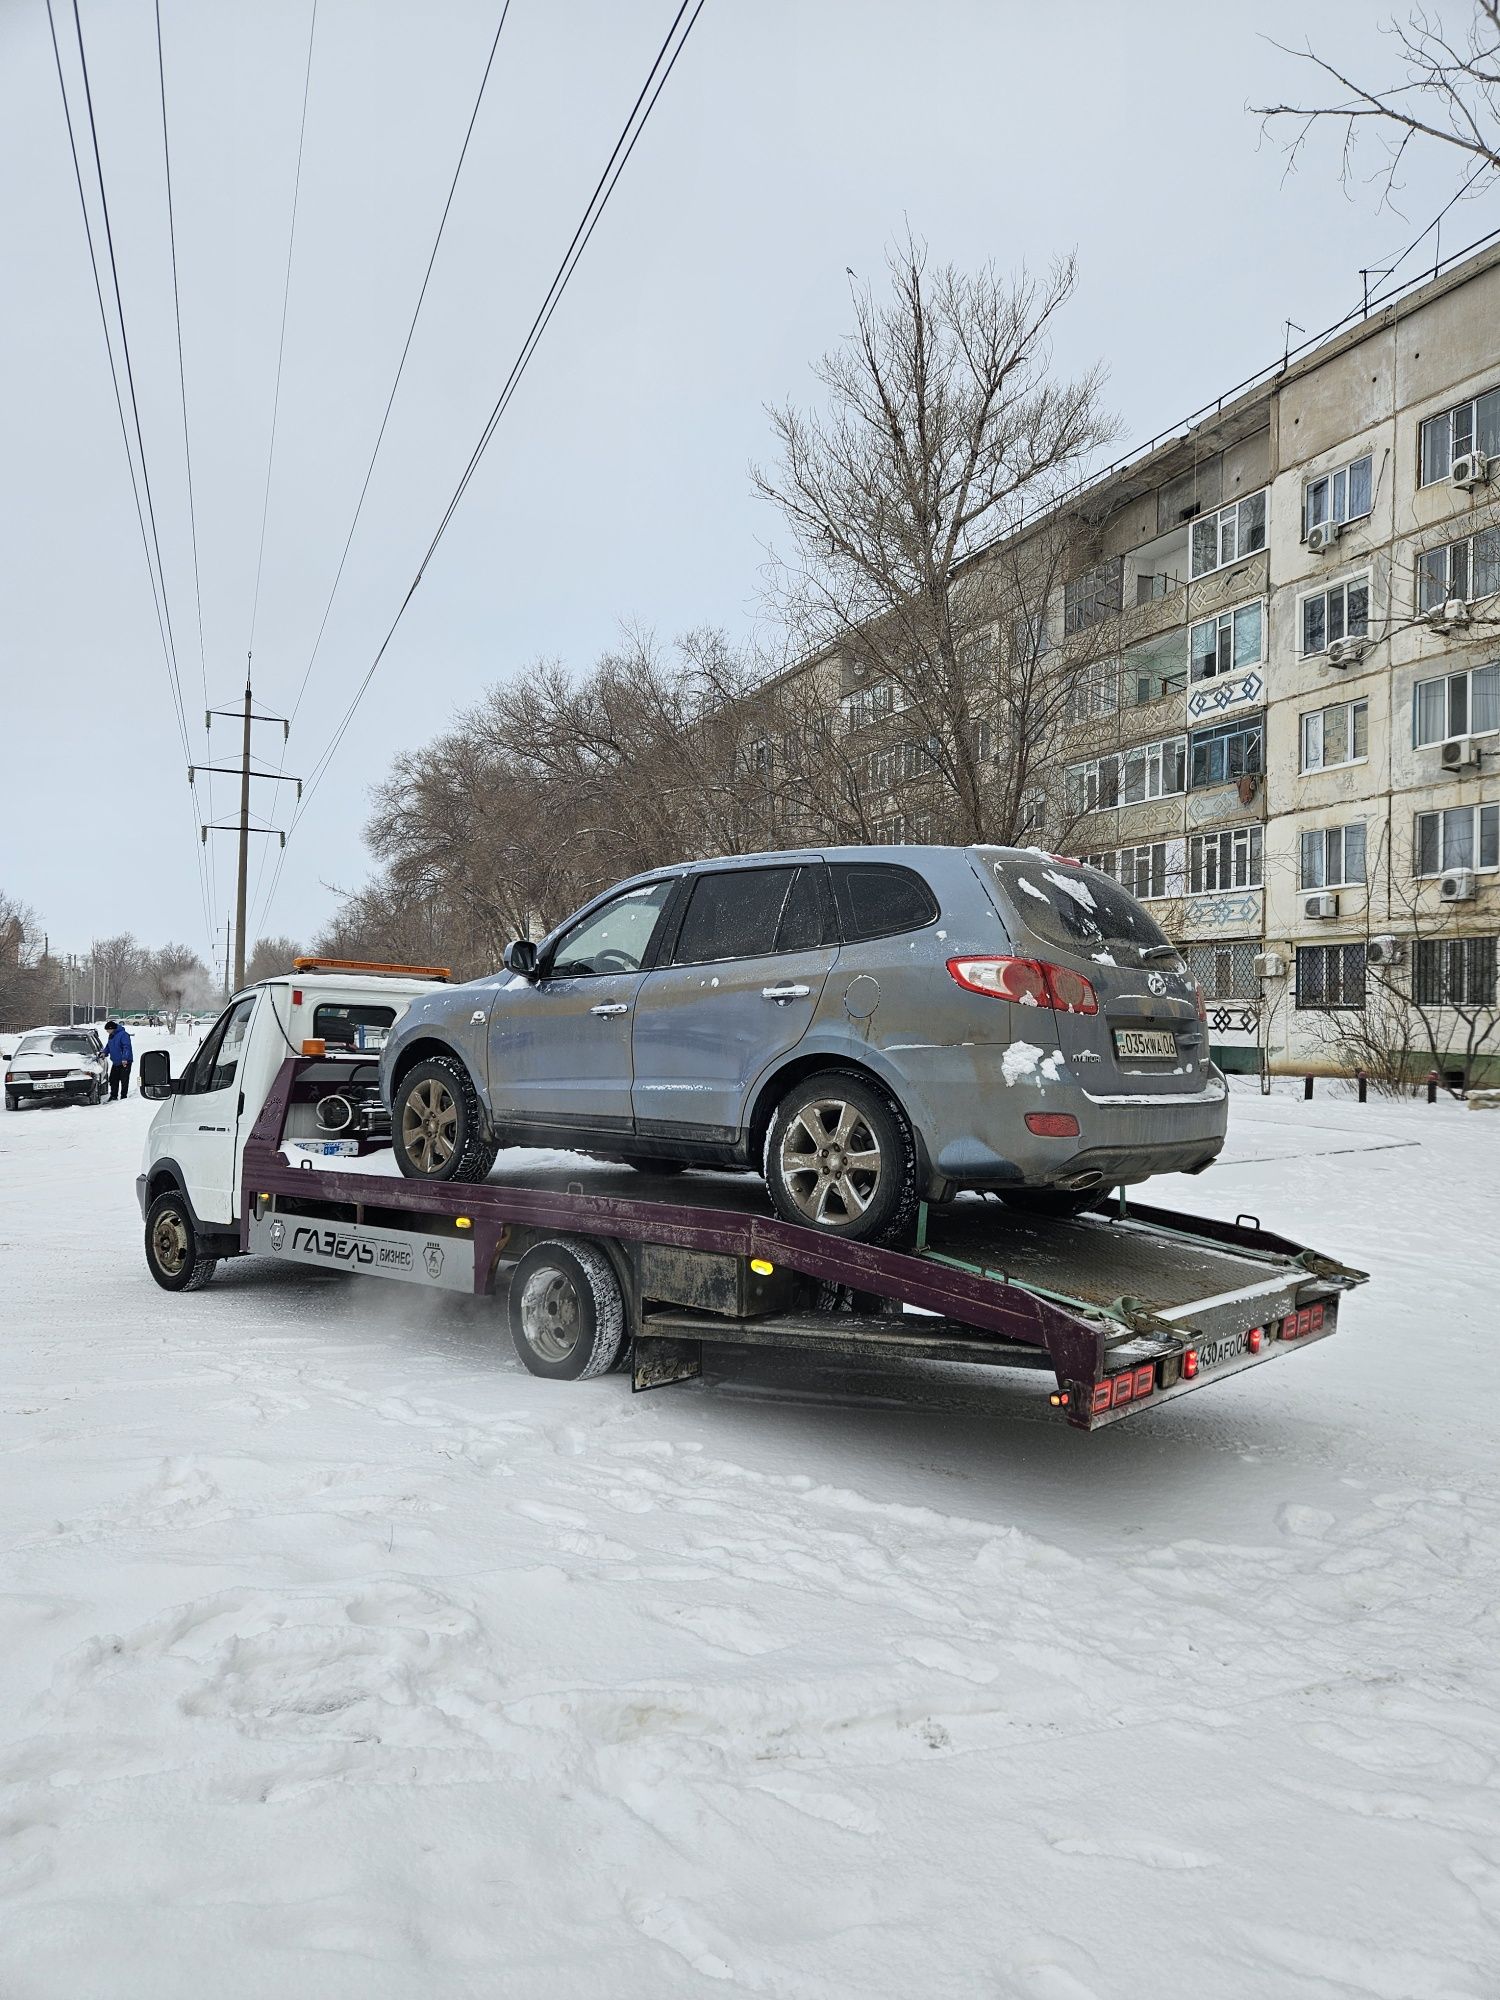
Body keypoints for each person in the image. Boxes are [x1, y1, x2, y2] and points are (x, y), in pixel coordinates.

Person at [102, 1020, 134, 1101]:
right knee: (113, 1079)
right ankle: (113, 1095)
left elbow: (126, 1047)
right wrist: (104, 1052)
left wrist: (125, 1058)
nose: (107, 1032)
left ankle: (123, 1096)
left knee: (124, 1080)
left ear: (112, 1028)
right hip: (116, 1062)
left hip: (124, 1062)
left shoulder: (123, 1035)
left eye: (107, 1030)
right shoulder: (111, 1035)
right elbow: (109, 1046)